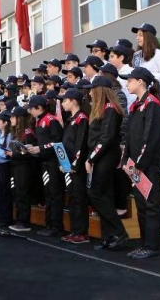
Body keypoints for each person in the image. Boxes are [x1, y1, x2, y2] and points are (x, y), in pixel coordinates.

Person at [121, 67, 160, 259]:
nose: (126, 83)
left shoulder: (152, 103)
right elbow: (131, 136)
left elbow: (152, 137)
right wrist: (126, 160)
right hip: (137, 164)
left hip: (149, 164)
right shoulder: (135, 105)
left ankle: (151, 245)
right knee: (141, 204)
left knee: (151, 204)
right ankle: (143, 244)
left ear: (140, 81)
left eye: (129, 80)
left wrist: (139, 162)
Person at [82, 76, 128, 250]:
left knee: (95, 193)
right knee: (104, 194)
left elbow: (106, 138)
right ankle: (110, 236)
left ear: (100, 90)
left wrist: (91, 158)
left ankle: (118, 231)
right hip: (102, 156)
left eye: (93, 89)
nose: (90, 92)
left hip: (106, 157)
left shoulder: (110, 108)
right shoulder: (102, 108)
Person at [26, 95, 65, 237]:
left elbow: (57, 142)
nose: (29, 111)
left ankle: (56, 225)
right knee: (48, 192)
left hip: (54, 162)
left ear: (39, 108)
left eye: (31, 108)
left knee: (54, 193)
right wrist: (35, 146)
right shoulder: (39, 121)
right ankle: (49, 223)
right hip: (45, 161)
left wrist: (40, 148)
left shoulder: (51, 120)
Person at [57, 89, 90, 244]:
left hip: (76, 167)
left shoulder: (81, 119)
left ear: (74, 101)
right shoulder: (71, 119)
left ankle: (82, 232)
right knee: (72, 197)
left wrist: (75, 164)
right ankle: (75, 230)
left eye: (65, 100)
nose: (62, 103)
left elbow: (81, 144)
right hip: (67, 165)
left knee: (78, 198)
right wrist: (63, 163)